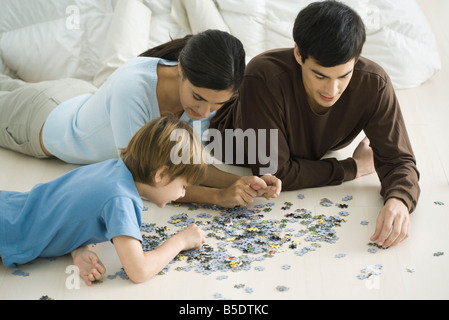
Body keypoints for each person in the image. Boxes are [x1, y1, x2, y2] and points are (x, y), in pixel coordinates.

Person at [209, 1, 420, 248]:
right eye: (320, 75)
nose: (332, 90)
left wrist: (399, 200)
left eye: (344, 76)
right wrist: (353, 167)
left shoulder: (374, 83)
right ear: (298, 53)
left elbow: (400, 160)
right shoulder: (262, 75)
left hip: (306, 148)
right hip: (227, 140)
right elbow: (274, 174)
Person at [0, 29, 281, 207]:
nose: (205, 113)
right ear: (181, 67)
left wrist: (249, 182)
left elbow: (188, 165)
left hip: (75, 94)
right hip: (36, 122)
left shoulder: (200, 99)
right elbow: (143, 180)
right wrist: (218, 197)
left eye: (217, 105)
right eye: (198, 98)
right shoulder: (132, 88)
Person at [0, 117, 210, 285]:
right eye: (183, 185)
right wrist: (180, 241)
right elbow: (139, 271)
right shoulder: (121, 199)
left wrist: (79, 249)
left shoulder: (112, 169)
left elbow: (70, 211)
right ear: (161, 175)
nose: (183, 194)